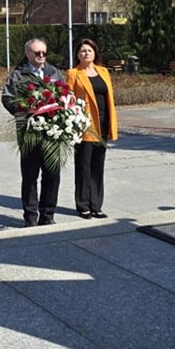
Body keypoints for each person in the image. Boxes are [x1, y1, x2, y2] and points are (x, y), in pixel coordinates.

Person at [2, 38, 65, 227]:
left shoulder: (54, 73)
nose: (41, 56)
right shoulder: (18, 75)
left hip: (52, 133)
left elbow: (65, 95)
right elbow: (7, 98)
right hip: (29, 133)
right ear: (27, 53)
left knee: (52, 175)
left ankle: (48, 215)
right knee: (30, 177)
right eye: (37, 53)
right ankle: (30, 216)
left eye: (44, 53)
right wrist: (23, 109)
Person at [66, 38, 118, 220]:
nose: (86, 53)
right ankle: (83, 205)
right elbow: (68, 99)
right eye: (82, 51)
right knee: (83, 167)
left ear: (95, 53)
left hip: (103, 125)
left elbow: (109, 98)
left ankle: (96, 205)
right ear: (77, 55)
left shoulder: (103, 71)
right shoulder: (73, 73)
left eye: (89, 50)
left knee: (98, 167)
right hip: (85, 127)